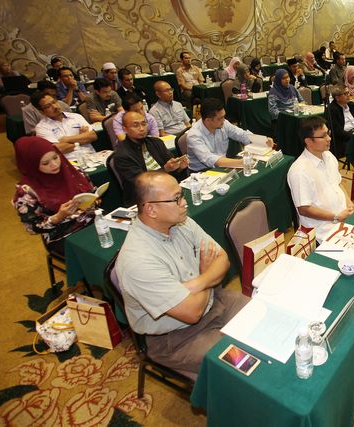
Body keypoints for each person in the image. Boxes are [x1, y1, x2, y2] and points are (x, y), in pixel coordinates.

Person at [114, 170, 249, 379]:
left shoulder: (181, 223)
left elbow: (223, 259)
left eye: (182, 195)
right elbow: (192, 312)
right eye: (176, 199)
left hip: (215, 301)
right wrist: (206, 274)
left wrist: (197, 283)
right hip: (178, 338)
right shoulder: (138, 260)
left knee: (265, 323)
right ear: (151, 209)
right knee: (247, 363)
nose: (184, 203)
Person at [12, 136, 95, 254]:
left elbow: (90, 191)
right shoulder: (26, 193)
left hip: (92, 220)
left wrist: (94, 199)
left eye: (56, 157)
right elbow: (32, 228)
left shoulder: (73, 171)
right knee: (98, 252)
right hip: (62, 234)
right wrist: (58, 217)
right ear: (31, 165)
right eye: (45, 163)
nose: (54, 164)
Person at [287, 116, 354, 241]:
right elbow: (304, 209)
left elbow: (338, 184)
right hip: (322, 231)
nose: (329, 138)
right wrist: (335, 217)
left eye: (328, 133)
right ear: (308, 141)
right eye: (323, 136)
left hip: (342, 217)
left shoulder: (328, 156)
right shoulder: (299, 171)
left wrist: (349, 204)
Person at [112, 111, 188, 206]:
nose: (141, 128)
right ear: (125, 129)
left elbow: (171, 167)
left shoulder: (155, 142)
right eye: (136, 125)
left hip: (167, 188)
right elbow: (141, 182)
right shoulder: (122, 155)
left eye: (144, 124)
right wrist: (165, 169)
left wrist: (180, 167)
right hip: (143, 200)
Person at [186, 98, 273, 172]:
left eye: (224, 116)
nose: (224, 120)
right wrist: (242, 163)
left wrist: (262, 141)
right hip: (202, 172)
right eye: (220, 118)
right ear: (208, 120)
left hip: (223, 165)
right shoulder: (194, 135)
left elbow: (242, 134)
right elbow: (209, 159)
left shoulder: (223, 123)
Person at [33, 92, 97, 161]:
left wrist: (66, 139)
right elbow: (58, 149)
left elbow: (93, 136)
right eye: (48, 106)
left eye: (54, 102)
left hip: (92, 157)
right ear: (41, 112)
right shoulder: (41, 128)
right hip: (69, 162)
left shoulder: (76, 116)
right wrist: (81, 138)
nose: (55, 107)